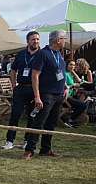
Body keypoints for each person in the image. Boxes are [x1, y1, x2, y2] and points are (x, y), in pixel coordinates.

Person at [24, 30, 67, 159]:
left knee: (51, 123)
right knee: (39, 122)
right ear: (57, 40)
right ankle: (29, 149)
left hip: (59, 94)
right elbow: (35, 75)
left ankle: (46, 149)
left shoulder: (59, 54)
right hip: (46, 94)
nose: (65, 41)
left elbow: (59, 72)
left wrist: (64, 87)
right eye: (64, 38)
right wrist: (37, 96)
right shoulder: (43, 54)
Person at [2, 31, 40, 150]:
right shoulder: (21, 54)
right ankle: (9, 140)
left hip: (35, 89)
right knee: (15, 114)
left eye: (38, 39)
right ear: (28, 41)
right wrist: (14, 85)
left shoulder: (42, 54)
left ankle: (27, 141)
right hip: (21, 88)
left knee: (32, 116)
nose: (36, 41)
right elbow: (13, 70)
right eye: (33, 39)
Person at [64, 60, 88, 128]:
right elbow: (64, 86)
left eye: (74, 65)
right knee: (82, 105)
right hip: (66, 97)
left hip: (72, 95)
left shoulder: (70, 74)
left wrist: (73, 71)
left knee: (84, 100)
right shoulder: (64, 74)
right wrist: (74, 85)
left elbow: (79, 81)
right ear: (66, 65)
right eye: (71, 65)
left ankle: (72, 119)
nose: (72, 66)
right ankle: (70, 120)